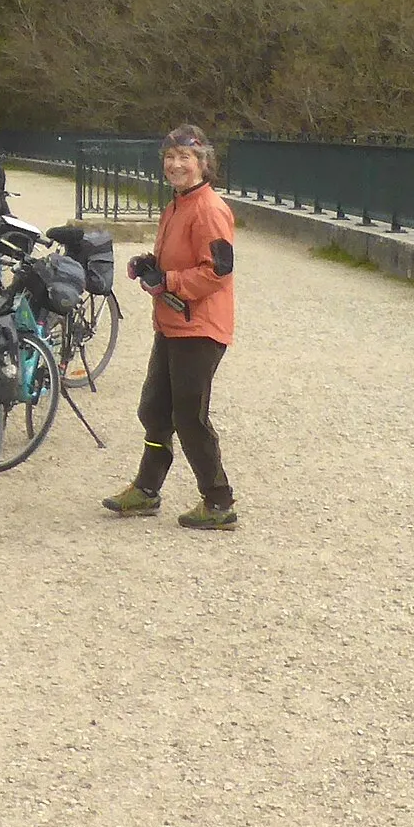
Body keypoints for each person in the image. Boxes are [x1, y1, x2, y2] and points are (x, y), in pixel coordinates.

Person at [102, 125, 239, 531]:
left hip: (200, 326)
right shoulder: (178, 204)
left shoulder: (209, 209)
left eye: (185, 157)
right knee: (154, 410)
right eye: (170, 157)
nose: (175, 164)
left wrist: (170, 282)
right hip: (174, 322)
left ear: (203, 164)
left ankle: (218, 502)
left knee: (189, 417)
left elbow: (219, 270)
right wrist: (151, 265)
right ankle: (147, 488)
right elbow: (183, 260)